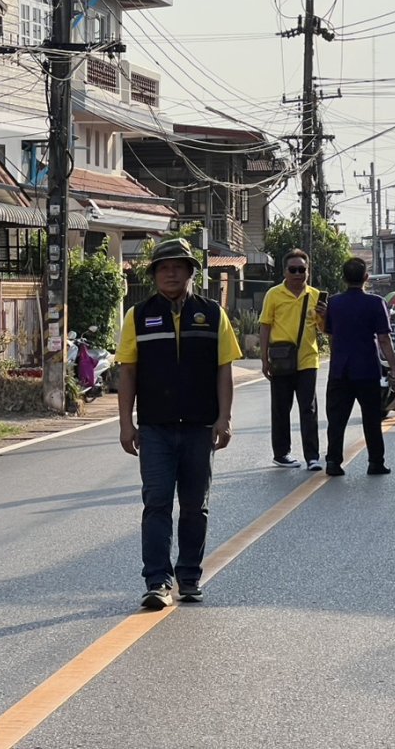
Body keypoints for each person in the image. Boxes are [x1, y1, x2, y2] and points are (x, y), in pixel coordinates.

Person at [117, 238, 240, 609]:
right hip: (154, 428)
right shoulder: (137, 315)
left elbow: (224, 369)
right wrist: (126, 424)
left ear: (191, 272)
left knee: (194, 505)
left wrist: (224, 418)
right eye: (163, 267)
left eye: (178, 267)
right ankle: (157, 581)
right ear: (154, 274)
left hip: (199, 428)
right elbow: (128, 371)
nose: (170, 273)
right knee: (156, 503)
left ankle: (188, 578)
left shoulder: (212, 313)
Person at [323, 257, 395, 477]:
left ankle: (333, 461)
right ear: (366, 277)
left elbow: (331, 334)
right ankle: (375, 462)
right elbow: (384, 338)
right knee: (371, 418)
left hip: (340, 369)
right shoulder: (376, 303)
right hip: (366, 368)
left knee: (337, 419)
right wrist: (394, 367)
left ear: (343, 278)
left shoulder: (334, 303)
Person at [260, 248, 325, 470]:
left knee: (309, 409)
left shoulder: (315, 295)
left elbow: (324, 329)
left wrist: (324, 315)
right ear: (285, 271)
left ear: (308, 271)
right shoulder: (274, 294)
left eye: (302, 270)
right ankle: (281, 454)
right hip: (281, 360)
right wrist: (264, 358)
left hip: (308, 360)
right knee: (281, 409)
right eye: (293, 269)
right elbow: (265, 326)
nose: (298, 274)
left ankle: (312, 457)